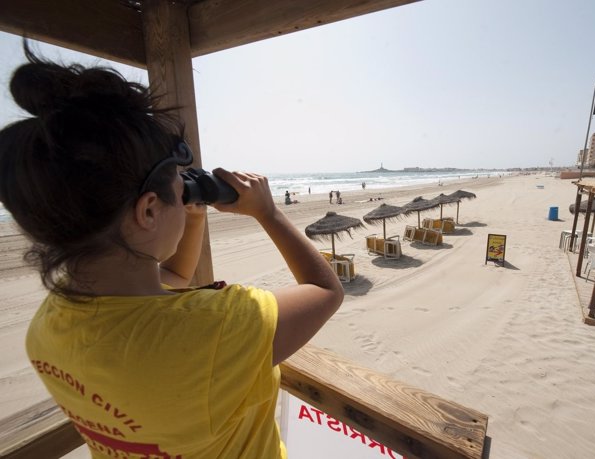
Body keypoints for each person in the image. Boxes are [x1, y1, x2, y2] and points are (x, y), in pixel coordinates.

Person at [0, 44, 343, 458]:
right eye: (179, 188)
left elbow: (173, 282)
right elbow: (325, 291)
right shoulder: (219, 330)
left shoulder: (48, 326)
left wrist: (193, 218)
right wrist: (268, 212)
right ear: (147, 209)